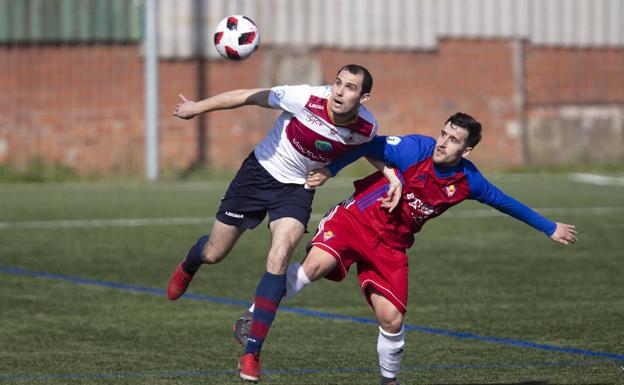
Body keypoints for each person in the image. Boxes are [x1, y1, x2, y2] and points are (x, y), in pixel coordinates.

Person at [235, 112, 578, 385]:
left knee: (393, 319)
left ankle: (389, 381)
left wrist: (549, 228)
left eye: (454, 139)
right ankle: (252, 318)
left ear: (467, 150)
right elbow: (367, 145)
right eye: (444, 133)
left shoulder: (468, 181)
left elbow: (505, 202)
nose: (443, 142)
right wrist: (331, 169)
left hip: (392, 245)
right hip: (354, 222)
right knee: (314, 268)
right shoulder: (416, 148)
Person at [167, 64, 380, 382]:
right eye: (337, 83)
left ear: (364, 97)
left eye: (349, 87)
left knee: (280, 257)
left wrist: (332, 170)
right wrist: (196, 108)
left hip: (296, 190)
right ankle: (191, 262)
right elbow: (247, 96)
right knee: (214, 252)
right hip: (258, 174)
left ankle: (251, 353)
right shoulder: (306, 98)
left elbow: (366, 148)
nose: (339, 91)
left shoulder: (367, 127)